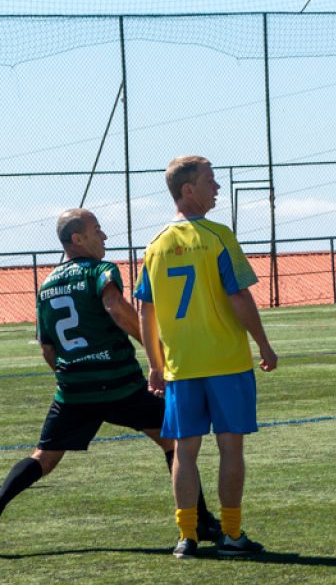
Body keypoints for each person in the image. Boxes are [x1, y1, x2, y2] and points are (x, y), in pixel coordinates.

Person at [0, 208, 219, 540]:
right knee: (177, 440)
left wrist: (72, 376)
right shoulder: (101, 271)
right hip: (120, 384)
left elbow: (47, 348)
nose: (104, 236)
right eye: (97, 230)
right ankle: (200, 521)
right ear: (78, 239)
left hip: (73, 390)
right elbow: (115, 307)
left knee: (43, 458)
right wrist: (157, 351)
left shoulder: (45, 285)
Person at [135, 156, 278, 559]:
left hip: (181, 366)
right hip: (227, 363)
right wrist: (263, 344)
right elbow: (238, 296)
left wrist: (155, 364)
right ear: (188, 190)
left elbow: (145, 310)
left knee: (185, 451)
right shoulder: (218, 236)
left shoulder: (155, 244)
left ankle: (187, 536)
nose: (217, 188)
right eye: (210, 181)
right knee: (231, 448)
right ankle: (231, 535)